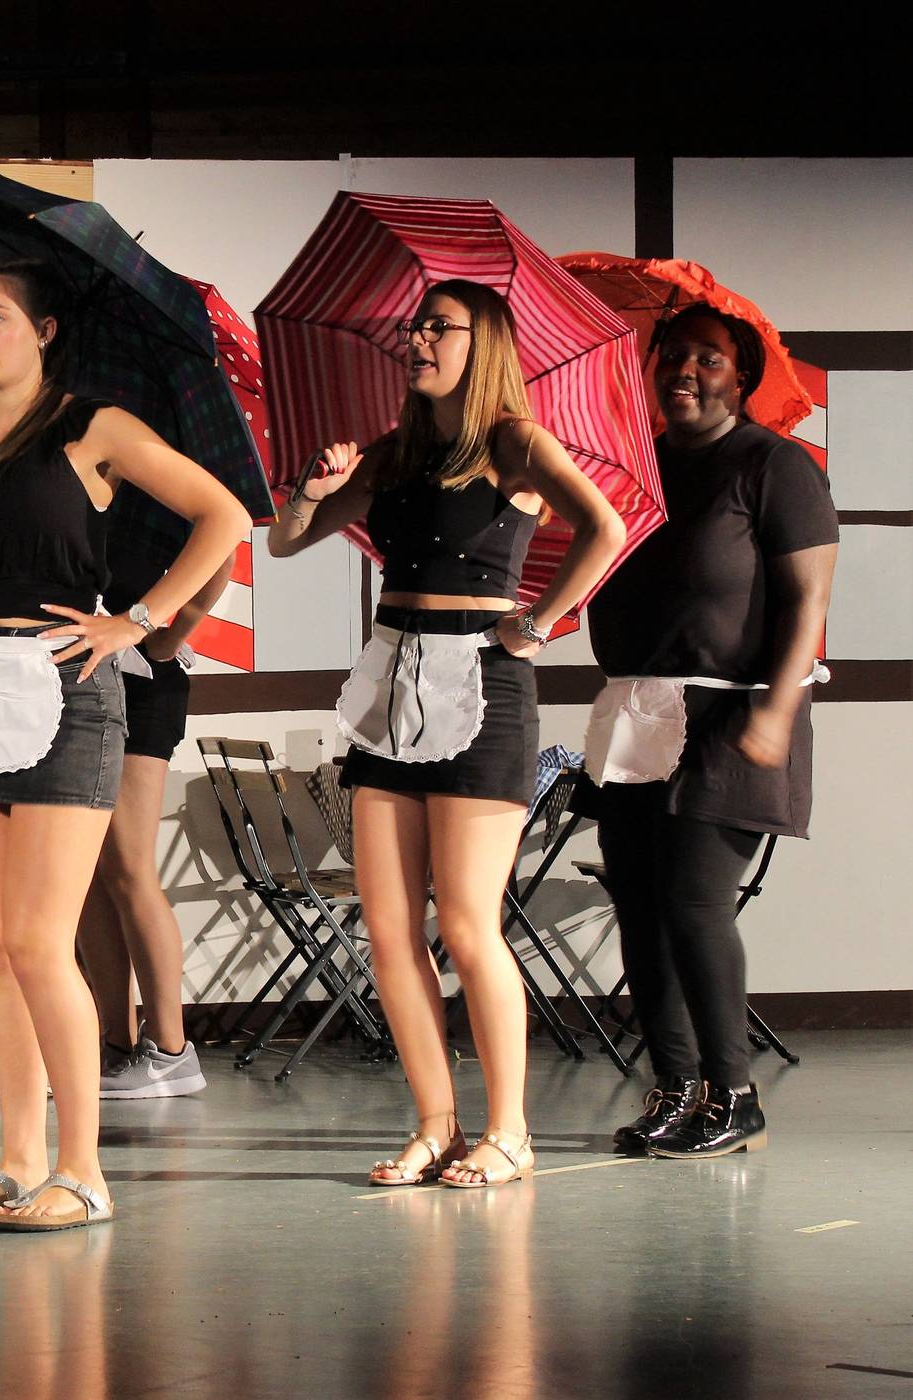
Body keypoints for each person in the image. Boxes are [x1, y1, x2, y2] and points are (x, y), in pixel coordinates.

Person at [0, 255, 251, 1230]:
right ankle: (16, 1158)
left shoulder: (94, 427)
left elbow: (225, 514)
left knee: (43, 941)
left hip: (69, 698)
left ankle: (82, 1172)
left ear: (43, 331)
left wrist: (141, 617)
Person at [265, 279, 625, 1188]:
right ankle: (436, 1123)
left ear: (484, 342)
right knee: (387, 927)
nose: (418, 340)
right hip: (395, 680)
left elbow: (606, 528)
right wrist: (310, 488)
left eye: (439, 328)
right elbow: (288, 542)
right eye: (414, 326)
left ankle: (509, 1131)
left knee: (466, 921)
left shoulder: (515, 443)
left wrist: (538, 623)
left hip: (486, 685)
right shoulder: (391, 456)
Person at [585, 304, 836, 1159]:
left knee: (693, 906)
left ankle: (736, 1097)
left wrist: (777, 710)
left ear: (742, 379)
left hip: (731, 712)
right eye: (673, 356)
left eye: (710, 360)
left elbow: (809, 601)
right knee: (640, 910)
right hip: (634, 709)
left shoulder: (774, 465)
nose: (686, 371)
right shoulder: (635, 470)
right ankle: (675, 1087)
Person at [79, 533, 232, 1100]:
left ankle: (172, 1051)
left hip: (141, 681)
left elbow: (223, 543)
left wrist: (174, 634)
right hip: (80, 677)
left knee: (127, 869)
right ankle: (117, 1045)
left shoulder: (157, 470)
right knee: (91, 877)